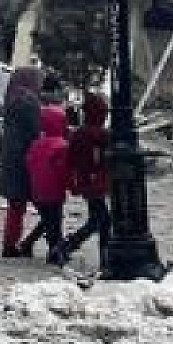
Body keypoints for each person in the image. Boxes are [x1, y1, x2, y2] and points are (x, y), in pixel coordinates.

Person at [0, 66, 43, 258]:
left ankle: (10, 243)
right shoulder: (29, 102)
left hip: (11, 158)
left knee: (16, 206)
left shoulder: (11, 100)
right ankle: (32, 242)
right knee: (47, 208)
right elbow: (34, 131)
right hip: (26, 160)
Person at [58, 92, 110, 263]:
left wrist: (72, 181)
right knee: (101, 220)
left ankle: (73, 246)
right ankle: (70, 245)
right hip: (96, 181)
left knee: (100, 219)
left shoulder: (79, 133)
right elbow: (103, 160)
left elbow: (70, 159)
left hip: (85, 180)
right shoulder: (100, 135)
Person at [19, 104, 71, 264]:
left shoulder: (36, 144)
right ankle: (54, 250)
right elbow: (63, 169)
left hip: (37, 190)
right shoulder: (61, 145)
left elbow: (28, 162)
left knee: (48, 219)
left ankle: (31, 243)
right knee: (54, 221)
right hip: (54, 190)